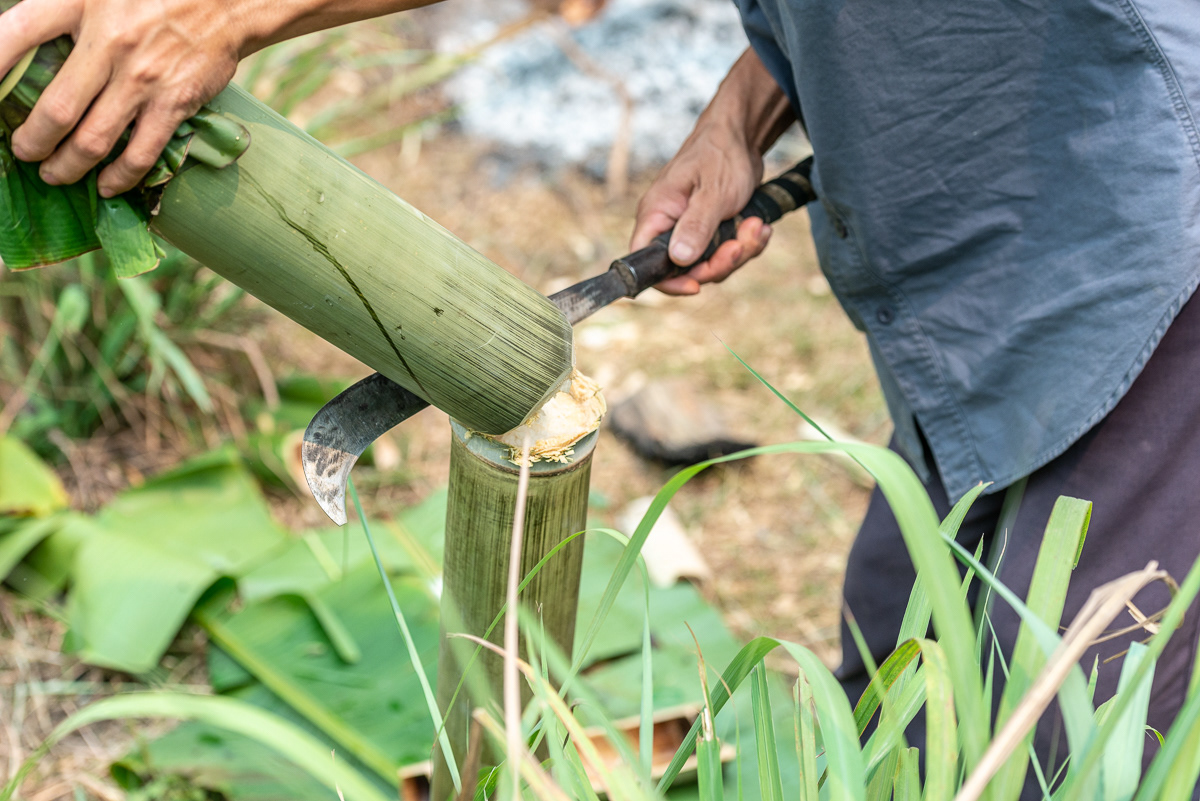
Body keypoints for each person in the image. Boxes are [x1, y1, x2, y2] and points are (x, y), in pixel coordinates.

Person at [3, 0, 1198, 796]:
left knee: (1068, 747)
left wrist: (227, 11)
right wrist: (742, 116)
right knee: (894, 684)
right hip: (967, 298)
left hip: (1134, 250)